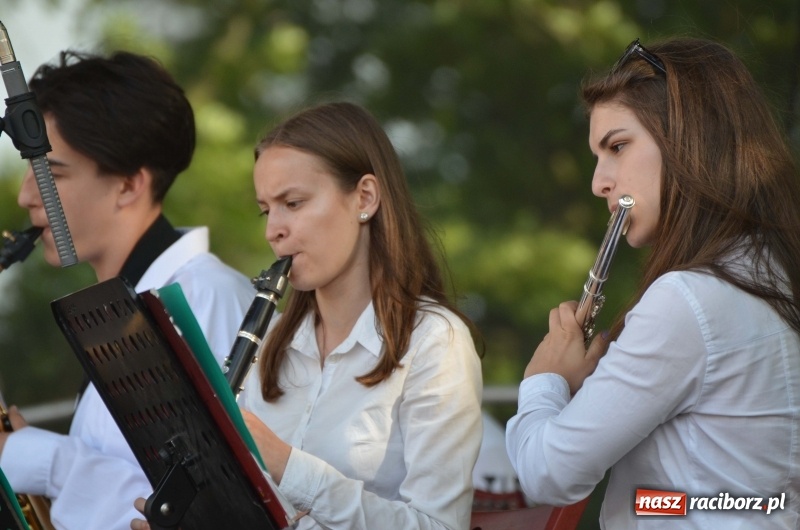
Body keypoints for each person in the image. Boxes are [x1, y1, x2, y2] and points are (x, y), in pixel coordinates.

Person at [131, 101, 484, 529]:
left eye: (293, 203)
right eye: (266, 209)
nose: (272, 230)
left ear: (365, 198)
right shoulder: (273, 341)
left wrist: (286, 464)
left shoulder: (434, 341)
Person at [506, 37, 800, 529]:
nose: (600, 182)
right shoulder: (771, 273)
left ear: (691, 140)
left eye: (618, 146)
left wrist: (545, 380)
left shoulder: (688, 300)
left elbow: (548, 474)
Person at [0, 50, 255, 530]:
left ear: (128, 184)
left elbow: (214, 510)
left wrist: (39, 458)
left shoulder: (207, 299)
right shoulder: (123, 304)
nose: (26, 197)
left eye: (52, 174)